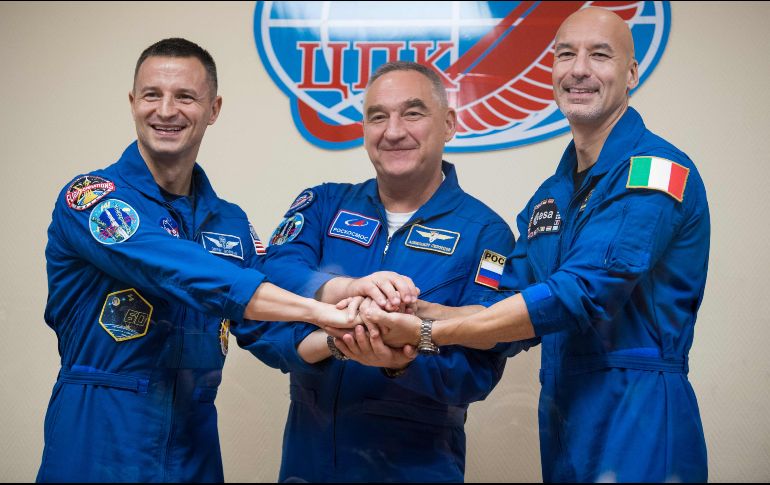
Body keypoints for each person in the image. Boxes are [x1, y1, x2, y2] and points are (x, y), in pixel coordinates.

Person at [357, 8, 710, 483]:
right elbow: (507, 303)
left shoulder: (653, 172)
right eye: (565, 55)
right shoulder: (552, 195)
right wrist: (419, 311)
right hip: (565, 415)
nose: (578, 69)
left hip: (641, 413)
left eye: (599, 55)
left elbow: (581, 292)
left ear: (630, 74)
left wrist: (427, 333)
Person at [37, 38, 397, 483]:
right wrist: (319, 310)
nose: (165, 110)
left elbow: (268, 330)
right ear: (132, 103)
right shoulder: (91, 200)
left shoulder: (230, 222)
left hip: (194, 448)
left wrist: (345, 334)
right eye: (152, 95)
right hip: (97, 439)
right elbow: (181, 269)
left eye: (185, 96)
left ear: (213, 109)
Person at [236, 61, 524, 482]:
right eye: (377, 116)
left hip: (416, 468)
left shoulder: (486, 234)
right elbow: (269, 289)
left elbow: (479, 368)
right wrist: (341, 299)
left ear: (448, 124)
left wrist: (400, 362)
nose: (393, 131)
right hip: (309, 462)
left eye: (412, 113)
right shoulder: (324, 205)